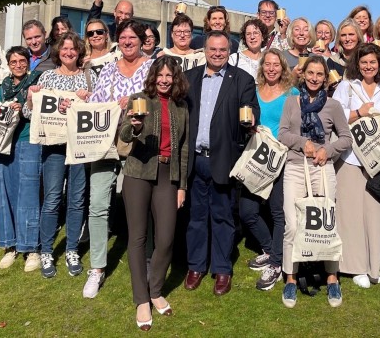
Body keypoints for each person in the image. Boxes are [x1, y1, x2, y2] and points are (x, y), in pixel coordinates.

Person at [183, 30, 259, 296]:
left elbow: (252, 113)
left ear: (229, 52)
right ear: (204, 50)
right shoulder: (189, 78)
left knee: (223, 217)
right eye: (213, 49)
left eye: (223, 50)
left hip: (223, 160)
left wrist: (248, 124)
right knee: (196, 217)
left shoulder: (243, 79)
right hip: (194, 160)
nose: (217, 54)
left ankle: (222, 269)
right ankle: (196, 266)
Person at [84, 19, 154, 298]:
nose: (127, 42)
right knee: (98, 204)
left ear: (141, 40)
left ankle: (146, 262)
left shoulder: (152, 67)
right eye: (123, 38)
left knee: (139, 207)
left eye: (132, 38)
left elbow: (157, 100)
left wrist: (135, 99)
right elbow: (96, 102)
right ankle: (97, 268)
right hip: (104, 144)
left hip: (136, 146)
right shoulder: (110, 67)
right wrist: (77, 101)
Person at [120, 56, 190, 331]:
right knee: (137, 237)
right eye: (160, 75)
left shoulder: (181, 107)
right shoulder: (139, 99)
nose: (164, 80)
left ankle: (155, 289)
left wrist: (182, 185)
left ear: (175, 79)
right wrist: (134, 127)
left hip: (167, 176)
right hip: (138, 173)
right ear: (153, 76)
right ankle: (142, 299)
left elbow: (183, 148)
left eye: (169, 76)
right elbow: (124, 134)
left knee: (165, 238)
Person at [278, 56, 352, 309]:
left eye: (319, 74)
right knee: (292, 224)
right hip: (296, 168)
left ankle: (332, 277)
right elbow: (284, 133)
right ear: (303, 74)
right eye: (310, 72)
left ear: (325, 78)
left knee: (326, 223)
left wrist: (327, 150)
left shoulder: (333, 105)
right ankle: (290, 276)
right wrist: (304, 143)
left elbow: (346, 138)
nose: (314, 78)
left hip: (322, 168)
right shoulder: (292, 102)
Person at [24, 33, 94, 280]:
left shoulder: (89, 77)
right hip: (53, 149)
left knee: (76, 200)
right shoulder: (48, 76)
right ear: (58, 51)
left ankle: (72, 249)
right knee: (52, 199)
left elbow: (96, 112)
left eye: (73, 49)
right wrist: (32, 98)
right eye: (64, 48)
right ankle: (46, 251)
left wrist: (85, 100)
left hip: (79, 147)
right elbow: (28, 113)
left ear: (79, 52)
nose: (68, 52)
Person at [332, 44, 380, 289]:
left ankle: (373, 266)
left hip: (377, 160)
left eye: (373, 62)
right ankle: (355, 267)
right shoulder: (347, 86)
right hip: (350, 158)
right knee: (350, 214)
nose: (368, 66)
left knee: (374, 212)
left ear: (379, 64)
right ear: (357, 64)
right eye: (364, 62)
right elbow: (333, 117)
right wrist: (359, 112)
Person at [240, 48, 298, 291]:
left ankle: (276, 263)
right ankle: (269, 248)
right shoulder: (252, 91)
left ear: (283, 68)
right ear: (262, 66)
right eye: (268, 64)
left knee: (277, 213)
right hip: (256, 157)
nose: (272, 68)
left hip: (280, 159)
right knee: (247, 211)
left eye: (276, 64)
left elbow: (298, 127)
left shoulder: (292, 94)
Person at [0, 46, 42, 272]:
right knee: (5, 193)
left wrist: (25, 104)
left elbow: (39, 110)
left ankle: (31, 248)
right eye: (13, 62)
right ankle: (11, 246)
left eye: (22, 60)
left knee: (28, 194)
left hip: (27, 140)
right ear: (8, 65)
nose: (18, 65)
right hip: (3, 142)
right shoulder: (5, 85)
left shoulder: (36, 81)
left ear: (28, 62)